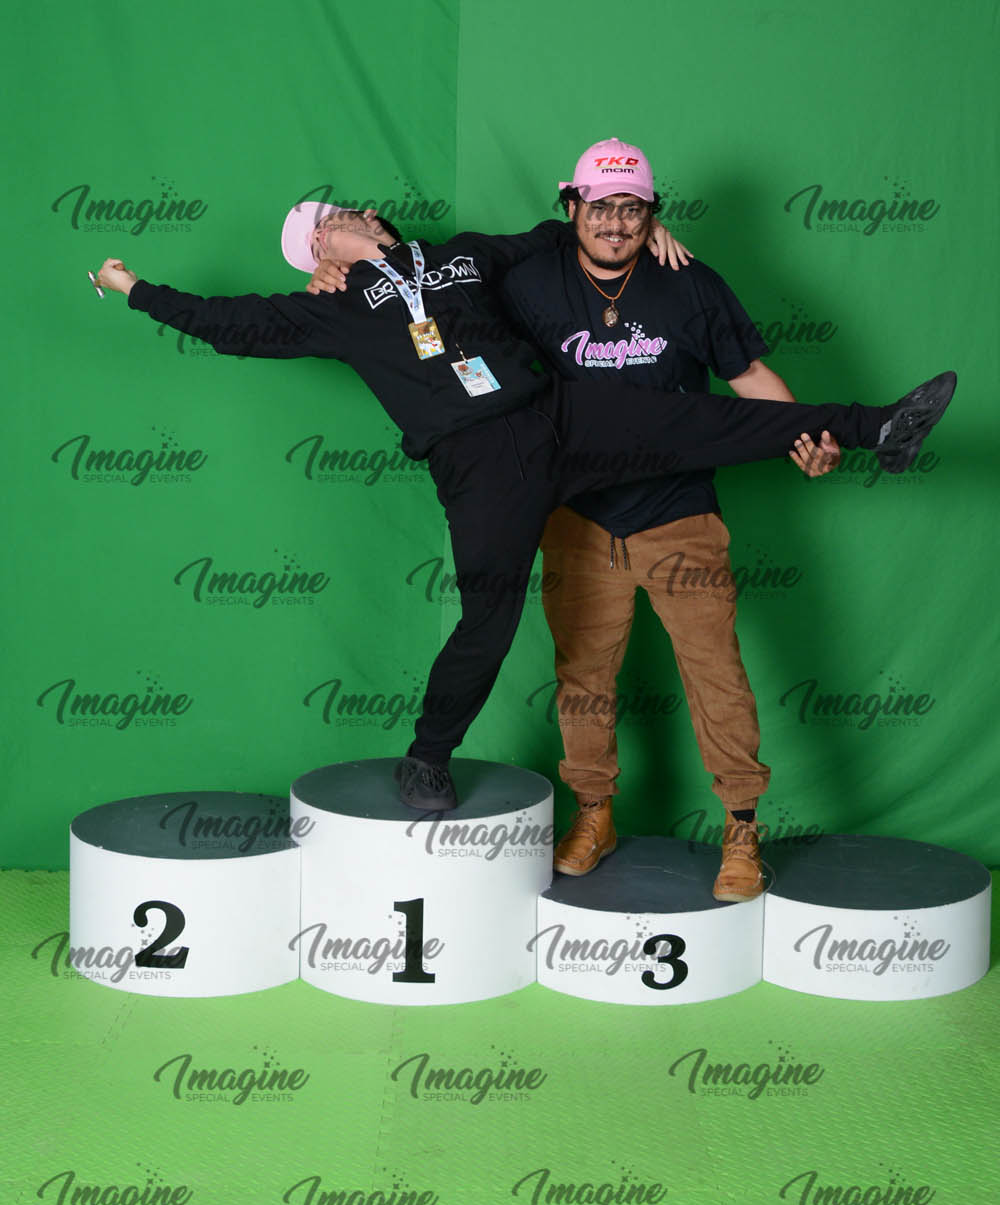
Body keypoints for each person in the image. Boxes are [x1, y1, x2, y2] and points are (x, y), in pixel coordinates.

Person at [94, 202, 955, 819]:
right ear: (320, 252)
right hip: (478, 465)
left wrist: (647, 227)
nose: (344, 217)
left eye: (343, 209)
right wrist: (133, 288)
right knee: (490, 618)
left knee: (698, 420)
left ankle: (880, 427)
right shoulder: (335, 309)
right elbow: (226, 323)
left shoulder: (464, 253)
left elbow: (560, 230)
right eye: (324, 225)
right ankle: (428, 757)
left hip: (556, 415)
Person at [500, 137, 841, 899]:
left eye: (633, 209)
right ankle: (594, 815)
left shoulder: (691, 283)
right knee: (583, 680)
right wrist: (334, 263)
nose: (615, 224)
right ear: (570, 206)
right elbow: (449, 286)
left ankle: (741, 830)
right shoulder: (530, 281)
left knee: (717, 676)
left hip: (679, 513)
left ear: (653, 214)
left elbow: (748, 373)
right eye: (601, 207)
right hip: (578, 517)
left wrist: (805, 436)